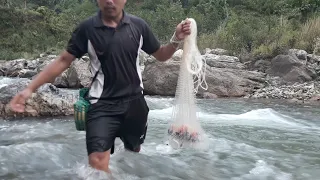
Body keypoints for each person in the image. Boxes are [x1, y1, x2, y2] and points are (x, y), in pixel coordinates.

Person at [9, 0, 191, 174]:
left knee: (133, 155)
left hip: (135, 104)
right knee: (97, 163)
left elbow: (161, 55)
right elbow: (63, 60)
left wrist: (176, 39)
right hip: (101, 105)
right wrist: (29, 89)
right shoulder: (87, 29)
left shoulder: (138, 26)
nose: (110, 1)